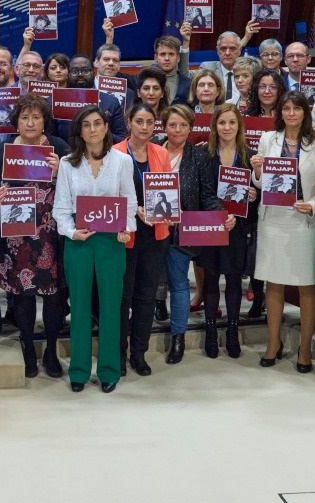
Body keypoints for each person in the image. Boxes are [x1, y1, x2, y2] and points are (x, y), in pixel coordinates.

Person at [55, 105, 137, 392]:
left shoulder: (122, 161)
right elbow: (61, 207)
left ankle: (109, 369)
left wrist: (127, 230)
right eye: (86, 124)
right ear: (79, 130)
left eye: (97, 123)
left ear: (106, 127)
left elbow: (129, 201)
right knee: (78, 307)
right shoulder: (67, 163)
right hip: (79, 240)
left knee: (111, 308)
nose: (92, 129)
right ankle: (78, 371)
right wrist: (70, 231)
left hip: (111, 242)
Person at [0, 93, 70, 377]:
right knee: (22, 298)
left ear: (45, 120)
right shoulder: (3, 150)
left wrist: (63, 173)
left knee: (54, 299)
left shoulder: (58, 147)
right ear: (16, 121)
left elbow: (78, 187)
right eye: (25, 117)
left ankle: (50, 350)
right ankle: (27, 350)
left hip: (51, 237)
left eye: (36, 117)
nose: (31, 122)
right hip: (15, 239)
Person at [253, 90, 315, 372]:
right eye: (285, 108)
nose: (290, 113)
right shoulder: (267, 139)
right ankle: (273, 343)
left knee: (306, 284)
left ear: (305, 113)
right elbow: (262, 184)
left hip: (303, 222)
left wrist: (312, 205)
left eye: (296, 108)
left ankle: (305, 348)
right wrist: (257, 171)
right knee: (273, 284)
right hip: (273, 220)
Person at [113, 104, 172, 377]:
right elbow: (109, 193)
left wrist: (173, 209)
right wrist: (133, 208)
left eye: (150, 121)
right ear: (129, 122)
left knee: (146, 297)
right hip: (124, 235)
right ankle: (118, 354)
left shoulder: (161, 152)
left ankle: (139, 353)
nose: (145, 127)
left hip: (154, 235)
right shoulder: (114, 152)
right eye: (139, 121)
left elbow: (167, 191)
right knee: (122, 298)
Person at [161, 104, 221, 363]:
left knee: (179, 284)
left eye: (183, 125)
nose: (177, 130)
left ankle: (178, 338)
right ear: (164, 126)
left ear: (191, 128)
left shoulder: (199, 157)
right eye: (172, 124)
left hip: (182, 233)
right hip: (149, 229)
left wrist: (221, 214)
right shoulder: (152, 150)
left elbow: (207, 195)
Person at [202, 104, 259, 358]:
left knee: (234, 280)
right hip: (213, 224)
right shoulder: (205, 154)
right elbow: (203, 191)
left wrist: (253, 194)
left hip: (238, 227)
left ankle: (233, 332)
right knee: (211, 279)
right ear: (215, 126)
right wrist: (221, 213)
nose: (226, 127)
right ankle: (211, 332)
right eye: (222, 123)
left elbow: (259, 194)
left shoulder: (249, 155)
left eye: (231, 123)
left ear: (239, 126)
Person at [64, 55, 128, 140]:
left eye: (86, 70)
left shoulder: (111, 102)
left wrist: (100, 133)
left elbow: (122, 138)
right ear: (68, 74)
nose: (80, 75)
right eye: (74, 71)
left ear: (94, 73)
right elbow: (50, 137)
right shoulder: (54, 101)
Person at [200, 31, 245, 103]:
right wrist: (186, 43)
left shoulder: (248, 71)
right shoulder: (208, 68)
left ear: (240, 50)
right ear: (217, 50)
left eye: (232, 49)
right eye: (223, 49)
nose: (227, 53)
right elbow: (185, 75)